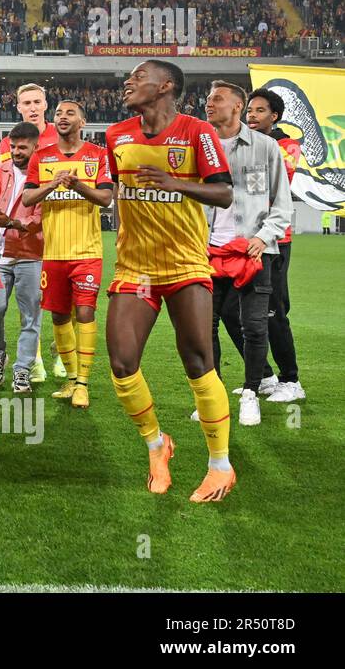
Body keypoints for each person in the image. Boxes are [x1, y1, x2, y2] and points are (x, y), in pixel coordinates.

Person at [104, 60, 236, 502]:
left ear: (165, 86)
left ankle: (220, 466)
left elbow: (223, 191)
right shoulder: (115, 135)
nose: (129, 82)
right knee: (122, 365)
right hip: (135, 269)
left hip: (184, 266)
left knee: (198, 362)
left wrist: (176, 184)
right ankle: (157, 445)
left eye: (139, 77)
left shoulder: (196, 131)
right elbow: (116, 193)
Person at [203, 80, 292, 428]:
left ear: (237, 106)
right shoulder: (200, 145)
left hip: (255, 251)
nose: (210, 104)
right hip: (207, 251)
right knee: (205, 328)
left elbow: (282, 206)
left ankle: (252, 392)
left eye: (218, 99)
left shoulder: (267, 147)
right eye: (208, 99)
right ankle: (215, 397)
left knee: (255, 327)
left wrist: (263, 237)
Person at [21, 99, 112, 408]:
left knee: (85, 313)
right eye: (58, 113)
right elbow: (27, 197)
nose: (62, 117)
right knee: (59, 317)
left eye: (70, 112)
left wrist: (78, 185)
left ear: (82, 121)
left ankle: (84, 383)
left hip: (87, 251)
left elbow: (105, 198)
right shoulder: (41, 157)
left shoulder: (98, 155)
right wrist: (53, 185)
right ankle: (71, 380)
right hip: (54, 253)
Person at [242, 88, 304, 403]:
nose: (251, 115)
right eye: (249, 110)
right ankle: (263, 376)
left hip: (276, 239)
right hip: (242, 237)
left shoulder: (287, 145)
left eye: (259, 110)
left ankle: (291, 381)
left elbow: (272, 180)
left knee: (273, 310)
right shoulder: (243, 144)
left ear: (274, 116)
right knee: (230, 309)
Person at [0, 123, 44, 393]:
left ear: (35, 148)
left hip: (29, 254)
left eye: (23, 147)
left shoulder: (43, 176)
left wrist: (12, 224)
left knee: (30, 317)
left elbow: (41, 219)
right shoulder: (1, 171)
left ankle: (22, 370)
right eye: (14, 146)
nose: (17, 152)